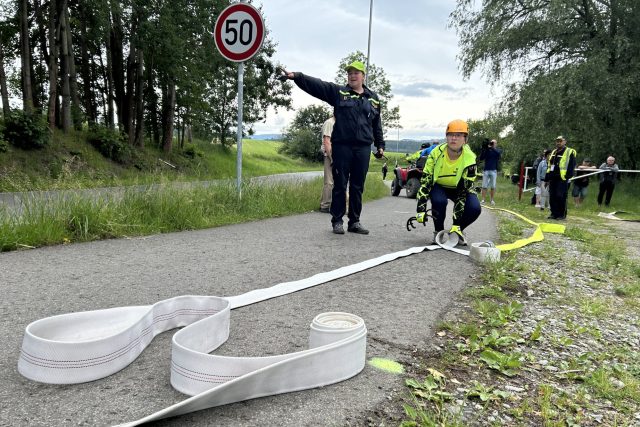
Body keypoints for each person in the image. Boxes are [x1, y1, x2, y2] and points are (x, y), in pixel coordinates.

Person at [279, 61, 385, 235]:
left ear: (363, 76)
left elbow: (377, 125)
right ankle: (337, 221)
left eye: (356, 73)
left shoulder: (373, 99)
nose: (352, 75)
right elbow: (318, 86)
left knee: (358, 186)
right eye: (349, 73)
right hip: (342, 146)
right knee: (340, 184)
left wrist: (380, 145)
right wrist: (297, 77)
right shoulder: (339, 92)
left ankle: (354, 222)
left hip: (363, 148)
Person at [413, 119, 481, 244]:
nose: (454, 138)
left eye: (458, 135)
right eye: (450, 135)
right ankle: (438, 233)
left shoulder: (470, 158)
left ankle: (457, 231)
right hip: (440, 186)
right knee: (439, 201)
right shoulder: (435, 153)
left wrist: (456, 224)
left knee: (475, 208)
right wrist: (421, 209)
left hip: (460, 188)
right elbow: (426, 182)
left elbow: (462, 192)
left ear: (465, 139)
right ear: (446, 137)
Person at [544, 136, 576, 220]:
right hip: (553, 178)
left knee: (560, 196)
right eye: (557, 141)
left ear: (565, 142)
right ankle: (554, 213)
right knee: (552, 196)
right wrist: (547, 178)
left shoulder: (570, 151)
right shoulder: (554, 151)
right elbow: (549, 165)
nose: (558, 143)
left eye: (560, 141)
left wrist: (567, 176)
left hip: (562, 178)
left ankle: (561, 214)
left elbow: (571, 166)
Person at [319, 115, 335, 213]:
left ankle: (333, 204)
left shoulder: (340, 122)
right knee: (329, 181)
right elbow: (326, 142)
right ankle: (325, 205)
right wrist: (331, 157)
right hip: (330, 153)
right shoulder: (330, 123)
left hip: (339, 154)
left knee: (337, 181)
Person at [479, 138, 502, 205]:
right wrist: (484, 149)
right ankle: (483, 200)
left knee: (493, 186)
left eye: (493, 143)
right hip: (486, 170)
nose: (492, 144)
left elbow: (498, 155)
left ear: (496, 144)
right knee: (484, 186)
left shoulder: (497, 150)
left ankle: (492, 200)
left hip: (493, 170)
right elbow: (481, 158)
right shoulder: (487, 150)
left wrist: (492, 148)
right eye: (491, 143)